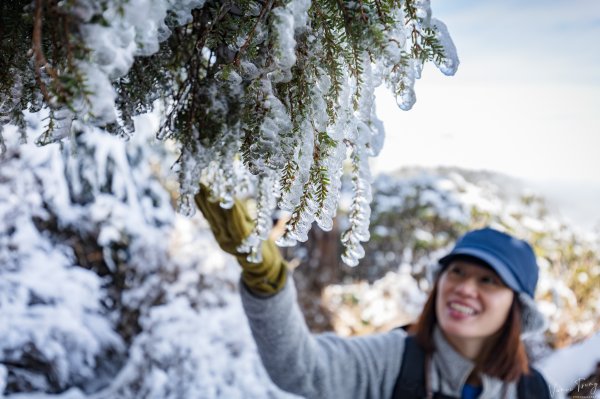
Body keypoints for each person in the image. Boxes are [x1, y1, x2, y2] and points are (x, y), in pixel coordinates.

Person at [195, 187, 556, 399]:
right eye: (456, 271)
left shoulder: (535, 392)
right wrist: (267, 282)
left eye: (488, 281)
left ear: (518, 307)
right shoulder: (393, 360)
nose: (464, 287)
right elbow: (302, 368)